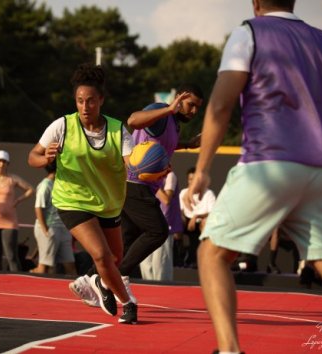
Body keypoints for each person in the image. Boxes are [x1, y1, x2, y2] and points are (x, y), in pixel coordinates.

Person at [184, 0, 322, 351]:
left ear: (255, 3)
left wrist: (204, 169)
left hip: (268, 165)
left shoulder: (248, 33)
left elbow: (221, 105)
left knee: (211, 255)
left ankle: (228, 349)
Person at [70, 85, 204, 305]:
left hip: (134, 185)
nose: (194, 111)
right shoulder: (162, 112)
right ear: (179, 101)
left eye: (198, 108)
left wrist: (188, 145)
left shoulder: (172, 123)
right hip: (134, 183)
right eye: (191, 105)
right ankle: (110, 279)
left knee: (124, 243)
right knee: (158, 231)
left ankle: (88, 278)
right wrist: (168, 109)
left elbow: (164, 144)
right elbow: (132, 120)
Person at [27, 63, 138, 324]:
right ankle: (129, 303)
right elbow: (32, 156)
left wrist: (149, 168)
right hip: (72, 201)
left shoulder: (117, 130)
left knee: (115, 260)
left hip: (108, 204)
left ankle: (99, 281)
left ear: (101, 100)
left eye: (90, 101)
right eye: (79, 101)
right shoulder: (62, 126)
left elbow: (131, 163)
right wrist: (45, 158)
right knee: (101, 255)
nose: (85, 107)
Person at [31, 161, 77, 275]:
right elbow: (38, 208)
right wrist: (45, 230)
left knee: (70, 265)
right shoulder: (45, 185)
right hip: (50, 227)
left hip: (63, 229)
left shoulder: (61, 184)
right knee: (44, 267)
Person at [139, 170, 182, 281]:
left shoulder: (170, 176)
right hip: (148, 226)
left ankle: (164, 291)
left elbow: (166, 199)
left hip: (163, 228)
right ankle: (149, 292)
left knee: (160, 266)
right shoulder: (148, 177)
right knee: (145, 264)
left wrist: (150, 184)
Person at [179, 167, 216, 268]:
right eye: (190, 179)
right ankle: (179, 256)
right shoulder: (183, 192)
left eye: (194, 179)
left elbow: (212, 212)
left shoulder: (208, 193)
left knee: (205, 223)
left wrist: (196, 217)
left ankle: (204, 257)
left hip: (200, 223)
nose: (191, 182)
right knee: (177, 221)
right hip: (187, 223)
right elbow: (181, 210)